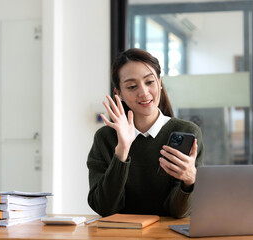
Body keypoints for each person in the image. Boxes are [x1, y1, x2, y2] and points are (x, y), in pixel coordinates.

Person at [87, 48, 204, 218]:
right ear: (118, 94)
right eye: (132, 86)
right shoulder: (105, 138)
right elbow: (104, 208)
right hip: (120, 235)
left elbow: (179, 213)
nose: (143, 92)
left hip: (168, 236)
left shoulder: (187, 132)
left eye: (149, 82)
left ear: (159, 83)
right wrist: (122, 152)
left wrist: (189, 181)